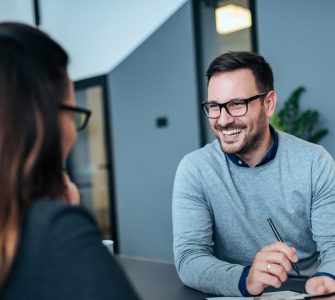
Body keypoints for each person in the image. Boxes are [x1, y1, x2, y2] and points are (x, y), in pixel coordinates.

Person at [172, 51, 335, 296]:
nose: (223, 120)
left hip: (305, 291)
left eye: (237, 104)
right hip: (237, 290)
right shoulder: (195, 169)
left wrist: (327, 276)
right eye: (214, 106)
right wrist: (247, 278)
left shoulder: (314, 161)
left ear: (268, 104)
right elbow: (190, 258)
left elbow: (333, 246)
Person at [0, 22, 139, 300]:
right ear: (41, 120)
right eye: (73, 113)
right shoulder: (54, 232)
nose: (74, 134)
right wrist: (65, 225)